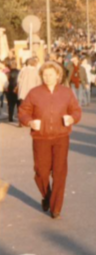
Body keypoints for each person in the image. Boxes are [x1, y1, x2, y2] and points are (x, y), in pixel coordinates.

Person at [17, 61, 83, 219]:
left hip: (61, 137)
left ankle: (55, 208)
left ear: (58, 75)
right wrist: (30, 122)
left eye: (51, 74)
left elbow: (76, 111)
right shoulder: (34, 93)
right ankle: (48, 196)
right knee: (41, 171)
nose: (47, 77)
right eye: (45, 75)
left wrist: (72, 119)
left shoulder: (66, 92)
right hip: (41, 138)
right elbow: (23, 111)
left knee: (60, 173)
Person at [4, 59, 19, 123]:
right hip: (18, 90)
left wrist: (5, 89)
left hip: (10, 90)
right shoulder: (20, 72)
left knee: (10, 105)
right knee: (19, 105)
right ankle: (19, 118)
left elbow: (6, 82)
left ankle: (10, 117)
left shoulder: (8, 73)